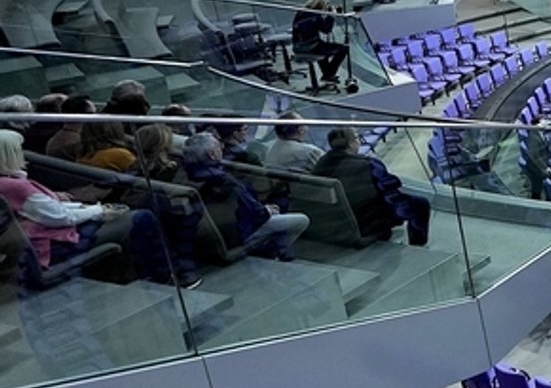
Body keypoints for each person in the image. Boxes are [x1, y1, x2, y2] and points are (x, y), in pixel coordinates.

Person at [0, 129, 183, 287]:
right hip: (54, 245)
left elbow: (46, 210)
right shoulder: (16, 186)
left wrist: (92, 208)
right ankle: (167, 277)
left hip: (39, 242)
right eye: (18, 150)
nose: (22, 155)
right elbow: (60, 217)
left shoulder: (7, 184)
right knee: (142, 218)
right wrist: (100, 211)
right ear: (9, 155)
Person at [179, 132, 309, 261]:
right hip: (236, 235)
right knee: (300, 220)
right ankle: (271, 251)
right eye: (219, 147)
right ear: (212, 155)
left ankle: (277, 250)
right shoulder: (224, 181)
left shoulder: (183, 175)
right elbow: (257, 214)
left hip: (204, 235)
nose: (223, 148)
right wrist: (268, 210)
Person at [311, 127, 431, 246]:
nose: (359, 142)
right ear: (351, 144)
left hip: (332, 220)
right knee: (420, 204)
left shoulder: (322, 163)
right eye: (358, 138)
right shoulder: (368, 164)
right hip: (363, 220)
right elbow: (390, 189)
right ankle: (418, 245)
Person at [293, 0, 349, 87]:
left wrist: (326, 16)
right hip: (309, 46)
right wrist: (332, 15)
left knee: (323, 45)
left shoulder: (301, 13)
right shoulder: (315, 16)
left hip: (298, 46)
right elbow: (326, 30)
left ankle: (327, 75)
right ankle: (329, 74)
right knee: (343, 48)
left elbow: (316, 25)